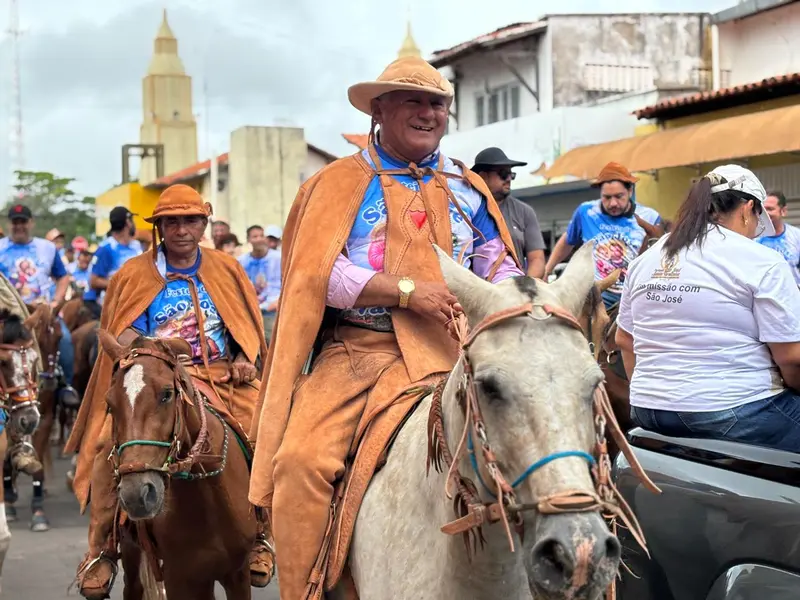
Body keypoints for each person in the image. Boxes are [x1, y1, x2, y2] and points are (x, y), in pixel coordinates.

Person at [248, 55, 522, 600]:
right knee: (300, 464)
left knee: (547, 442)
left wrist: (517, 292)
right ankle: (304, 591)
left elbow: (497, 261)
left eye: (437, 104)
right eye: (413, 102)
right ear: (380, 109)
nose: (428, 113)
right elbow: (316, 272)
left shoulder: (466, 186)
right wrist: (405, 291)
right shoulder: (337, 183)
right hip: (360, 353)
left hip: (455, 352)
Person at [66, 184, 275, 599]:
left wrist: (242, 356)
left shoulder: (226, 268)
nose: (181, 229)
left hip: (219, 375)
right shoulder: (134, 274)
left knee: (265, 428)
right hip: (157, 374)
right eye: (171, 222)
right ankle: (102, 549)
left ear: (203, 224)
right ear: (159, 227)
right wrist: (152, 355)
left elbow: (245, 328)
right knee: (109, 444)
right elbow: (122, 329)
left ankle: (262, 533)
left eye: (190, 220)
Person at [616, 164, 800, 452]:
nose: (754, 231)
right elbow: (791, 358)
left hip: (646, 410)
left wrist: (658, 398)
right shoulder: (761, 260)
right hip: (732, 412)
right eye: (756, 220)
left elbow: (624, 340)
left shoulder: (647, 259)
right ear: (747, 208)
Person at [544, 162, 662, 308]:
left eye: (619, 196)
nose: (613, 203)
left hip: (633, 295)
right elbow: (568, 240)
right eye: (607, 197)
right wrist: (547, 270)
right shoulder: (586, 212)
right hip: (596, 294)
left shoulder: (649, 217)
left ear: (630, 191)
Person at [472, 147, 546, 278]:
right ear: (482, 176)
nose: (508, 179)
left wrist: (526, 289)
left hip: (515, 290)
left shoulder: (524, 212)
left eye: (511, 174)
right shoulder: (467, 210)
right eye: (503, 174)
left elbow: (536, 259)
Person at [83, 206, 142, 319]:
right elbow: (94, 281)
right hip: (105, 302)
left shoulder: (136, 247)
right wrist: (123, 285)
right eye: (132, 220)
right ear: (128, 222)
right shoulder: (106, 248)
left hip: (133, 299)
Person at [238, 226, 281, 344]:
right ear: (248, 240)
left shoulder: (279, 258)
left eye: (262, 236)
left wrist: (279, 302)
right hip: (250, 312)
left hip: (273, 311)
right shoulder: (241, 261)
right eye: (255, 236)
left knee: (272, 343)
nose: (259, 239)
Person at [757, 190, 800, 287]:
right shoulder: (753, 238)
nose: (766, 213)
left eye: (770, 209)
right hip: (763, 297)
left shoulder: (797, 236)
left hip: (793, 297)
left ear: (783, 211)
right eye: (763, 209)